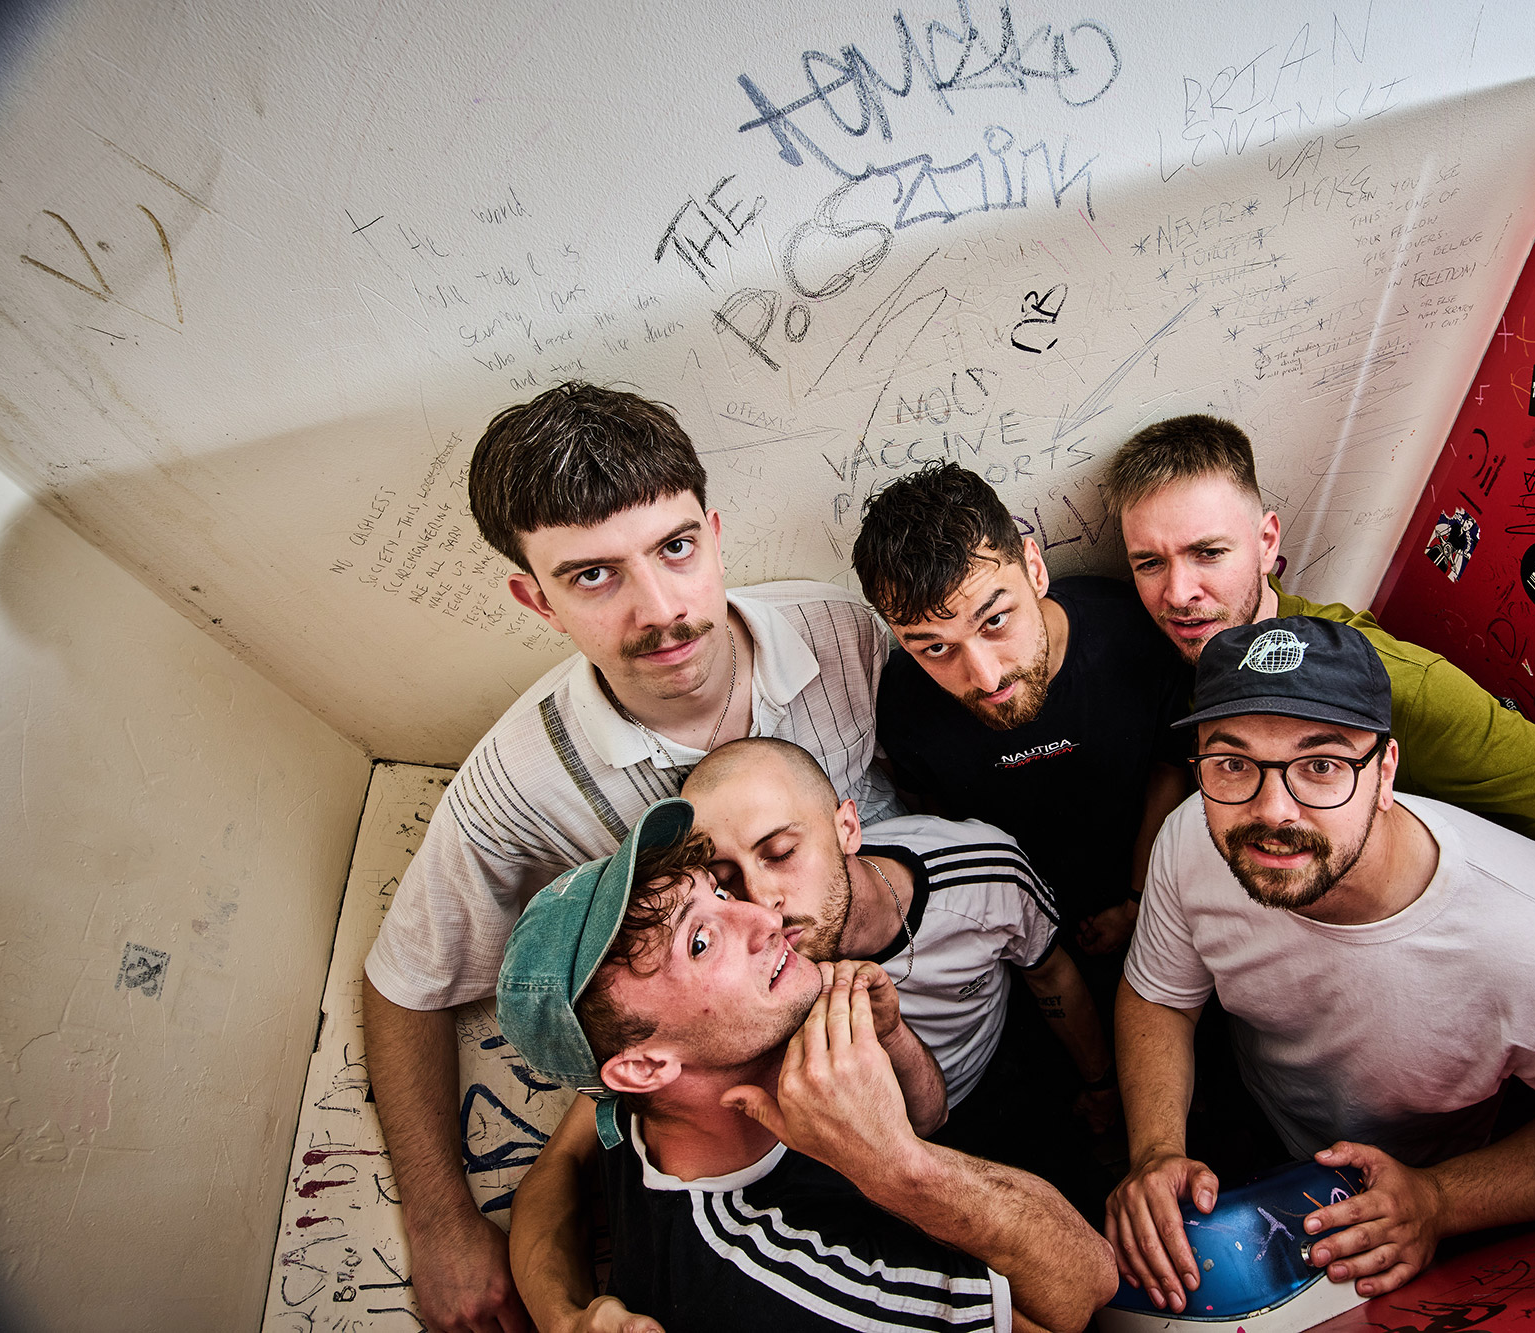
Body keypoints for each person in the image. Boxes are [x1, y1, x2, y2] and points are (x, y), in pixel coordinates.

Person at [1102, 414, 1535, 1263]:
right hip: (1275, 1071)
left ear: (1267, 541)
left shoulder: (1402, 690)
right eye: (1149, 563)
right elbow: (1159, 986)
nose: (1179, 592)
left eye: (1321, 763)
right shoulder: (1187, 694)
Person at [361, 383, 898, 1333]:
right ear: (538, 599)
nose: (661, 609)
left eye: (676, 548)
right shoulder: (518, 779)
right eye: (593, 576)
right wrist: (440, 1222)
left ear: (715, 536)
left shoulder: (849, 634)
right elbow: (405, 983)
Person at [1107, 615, 1535, 1310]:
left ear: (1385, 770)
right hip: (1256, 1119)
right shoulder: (1193, 836)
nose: (1273, 812)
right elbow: (1160, 995)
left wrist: (1441, 1198)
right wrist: (1156, 1148)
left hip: (1428, 1188)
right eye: (1232, 763)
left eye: (1321, 765)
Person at [497, 798, 1118, 1332]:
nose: (766, 917)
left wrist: (563, 1316)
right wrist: (900, 1168)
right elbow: (1084, 1284)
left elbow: (558, 1167)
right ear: (643, 1069)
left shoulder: (650, 1100)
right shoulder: (784, 1277)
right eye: (701, 942)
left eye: (719, 892)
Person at [681, 738, 1117, 1139]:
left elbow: (1050, 975)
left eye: (781, 854)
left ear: (847, 828)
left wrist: (1100, 1085)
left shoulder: (983, 876)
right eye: (726, 880)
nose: (760, 901)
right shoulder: (746, 967)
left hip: (1002, 1073)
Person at [855, 462, 1191, 964]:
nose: (986, 678)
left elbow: (1170, 767)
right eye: (935, 648)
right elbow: (940, 825)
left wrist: (1137, 903)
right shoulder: (903, 705)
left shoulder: (1131, 631)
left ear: (1034, 569)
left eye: (995, 620)